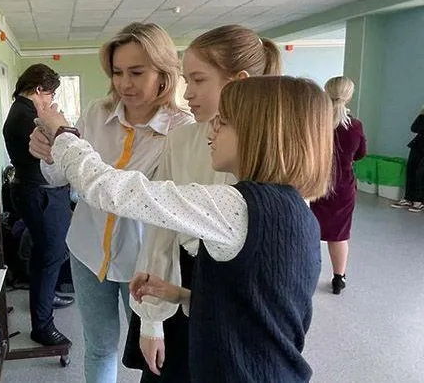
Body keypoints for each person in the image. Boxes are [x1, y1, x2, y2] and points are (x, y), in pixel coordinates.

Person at [34, 76, 332, 383]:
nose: (212, 130)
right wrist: (182, 295)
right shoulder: (295, 210)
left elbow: (110, 190)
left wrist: (63, 132)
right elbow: (255, 309)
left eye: (224, 122)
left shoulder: (237, 208)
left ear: (262, 135)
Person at [117, 25, 282, 382]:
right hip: (182, 280)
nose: (187, 94)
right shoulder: (181, 140)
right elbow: (161, 229)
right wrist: (152, 319)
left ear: (238, 81)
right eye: (185, 80)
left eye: (198, 80)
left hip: (241, 301)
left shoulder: (274, 156)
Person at [37, 23, 193, 382]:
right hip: (87, 250)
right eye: (118, 72)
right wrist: (47, 155)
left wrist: (66, 147)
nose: (125, 84)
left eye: (137, 72)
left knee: (152, 353)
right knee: (99, 347)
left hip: (143, 261)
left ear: (164, 72)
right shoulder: (96, 113)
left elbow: (138, 201)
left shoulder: (181, 131)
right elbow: (60, 180)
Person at [2, 64, 75, 347]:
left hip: (36, 191)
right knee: (50, 256)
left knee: (46, 255)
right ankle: (42, 327)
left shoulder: (22, 111)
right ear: (39, 89)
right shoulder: (27, 116)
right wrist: (60, 122)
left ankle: (48, 294)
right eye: (50, 93)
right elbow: (60, 146)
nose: (50, 100)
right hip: (41, 194)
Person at [310, 76, 367, 294]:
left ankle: (309, 273)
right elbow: (361, 154)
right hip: (343, 188)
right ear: (349, 95)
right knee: (339, 234)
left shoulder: (316, 122)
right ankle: (338, 279)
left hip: (316, 184)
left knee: (311, 230)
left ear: (325, 92)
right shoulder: (355, 126)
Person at [391, 105, 424, 213]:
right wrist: (421, 114)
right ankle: (408, 198)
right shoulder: (422, 116)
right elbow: (414, 128)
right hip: (418, 146)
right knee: (410, 170)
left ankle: (419, 201)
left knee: (421, 173)